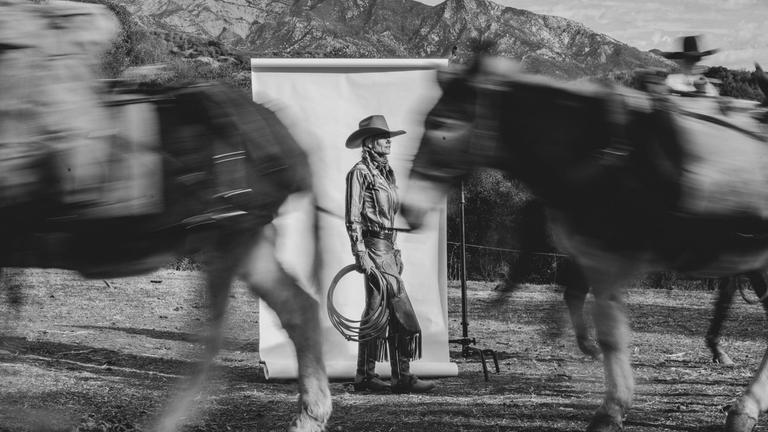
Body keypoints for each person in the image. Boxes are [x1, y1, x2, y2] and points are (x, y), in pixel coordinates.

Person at [344, 115, 436, 393]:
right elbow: (352, 217)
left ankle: (375, 377)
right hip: (374, 247)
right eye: (384, 138)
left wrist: (395, 250)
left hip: (388, 249)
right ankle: (390, 377)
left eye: (389, 138)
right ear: (371, 142)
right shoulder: (359, 172)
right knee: (388, 306)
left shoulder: (386, 173)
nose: (389, 141)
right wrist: (360, 252)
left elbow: (389, 217)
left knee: (381, 308)